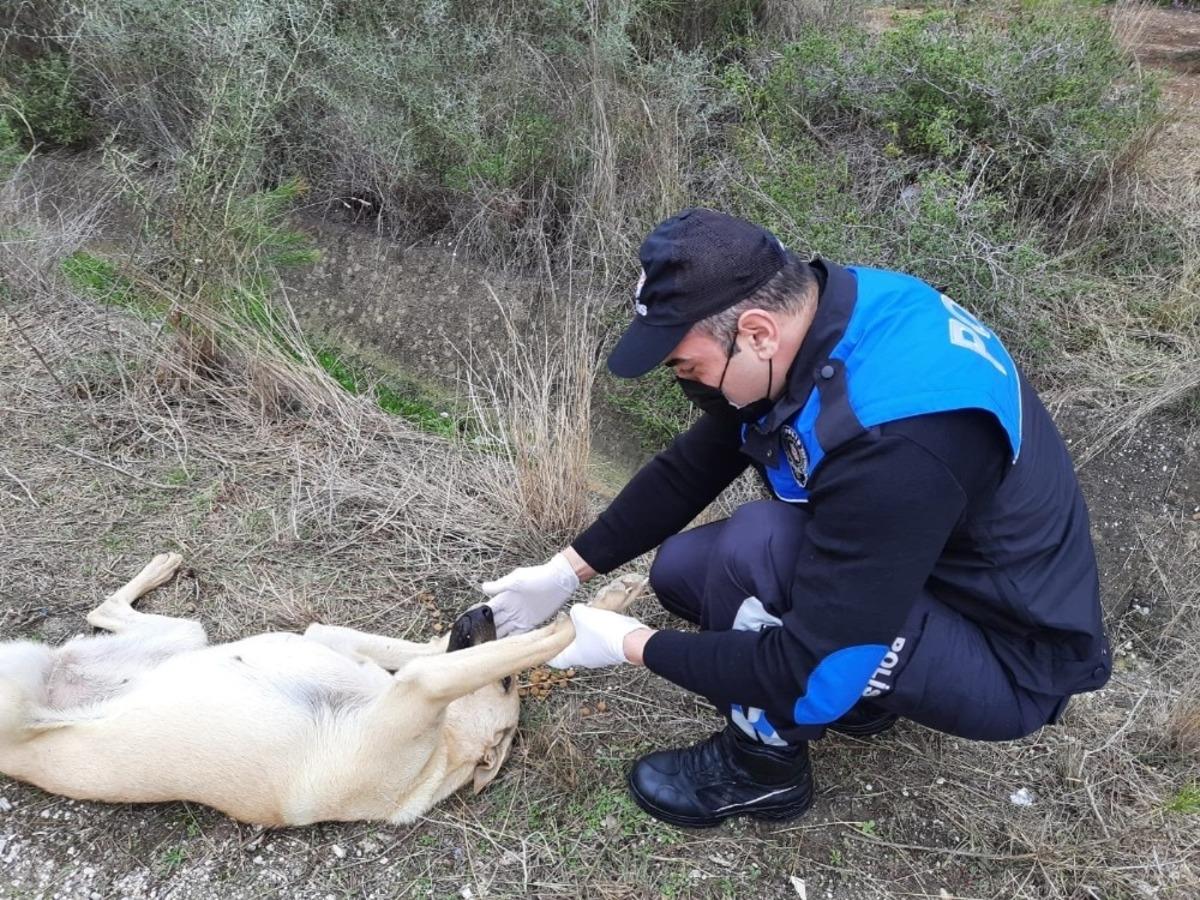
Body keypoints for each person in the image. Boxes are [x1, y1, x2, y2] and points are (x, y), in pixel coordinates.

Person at [481, 208, 1111, 829]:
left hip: (1008, 658)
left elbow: (808, 670)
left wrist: (630, 645)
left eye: (689, 368)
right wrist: (565, 571)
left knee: (756, 550)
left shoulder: (899, 441)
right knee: (682, 572)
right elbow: (694, 464)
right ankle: (876, 685)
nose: (689, 387)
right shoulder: (821, 317)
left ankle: (763, 768)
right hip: (924, 574)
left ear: (756, 333)